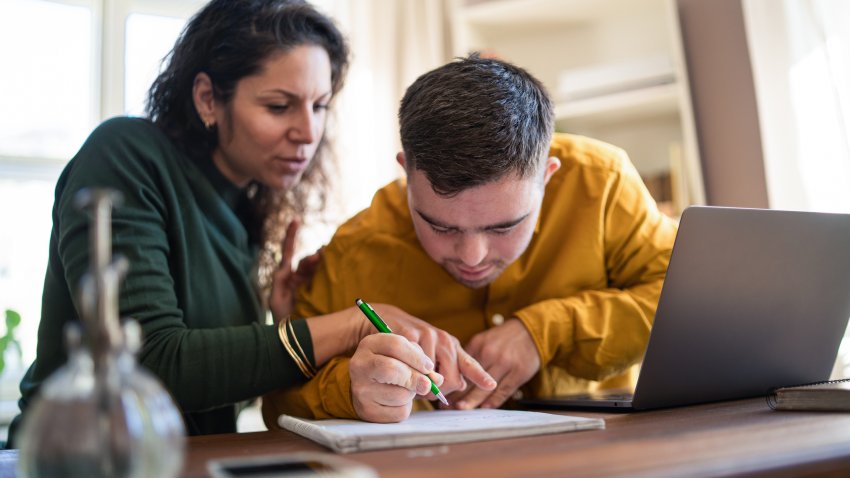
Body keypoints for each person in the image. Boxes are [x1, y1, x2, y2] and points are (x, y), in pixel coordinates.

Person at [8, 0, 493, 445]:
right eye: (279, 106)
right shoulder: (126, 154)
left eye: (319, 106)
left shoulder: (247, 207)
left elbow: (217, 392)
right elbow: (152, 364)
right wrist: (343, 328)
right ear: (207, 99)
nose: (308, 132)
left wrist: (280, 317)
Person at [261, 53, 678, 425]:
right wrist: (349, 391)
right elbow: (279, 402)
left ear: (548, 176)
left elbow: (683, 300)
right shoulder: (356, 249)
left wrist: (546, 331)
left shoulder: (601, 183)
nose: (472, 257)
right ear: (407, 171)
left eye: (503, 227)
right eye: (441, 226)